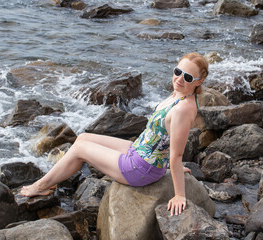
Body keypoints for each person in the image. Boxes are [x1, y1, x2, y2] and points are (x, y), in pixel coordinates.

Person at [21, 52, 209, 216]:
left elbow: (176, 154)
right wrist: (171, 166)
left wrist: (179, 194)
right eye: (178, 72)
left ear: (199, 82)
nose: (179, 79)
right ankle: (54, 179)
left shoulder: (183, 109)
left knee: (79, 149)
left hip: (140, 168)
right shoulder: (180, 94)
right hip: (138, 151)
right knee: (83, 138)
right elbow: (168, 139)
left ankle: (41, 186)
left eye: (187, 77)